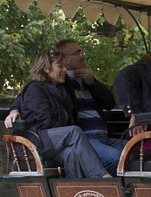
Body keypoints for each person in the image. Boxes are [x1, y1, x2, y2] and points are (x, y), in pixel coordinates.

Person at [6, 48, 111, 179]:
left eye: (65, 66)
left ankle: (76, 192)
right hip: (36, 140)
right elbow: (46, 122)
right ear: (45, 68)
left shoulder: (61, 88)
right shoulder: (35, 88)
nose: (65, 70)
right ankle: (100, 175)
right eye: (60, 66)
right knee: (74, 132)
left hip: (51, 140)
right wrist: (14, 109)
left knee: (71, 154)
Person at [54, 38, 125, 170]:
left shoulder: (87, 80)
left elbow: (109, 103)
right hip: (84, 140)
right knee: (115, 158)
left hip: (105, 137)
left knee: (137, 152)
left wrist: (92, 83)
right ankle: (99, 188)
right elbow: (32, 91)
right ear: (66, 60)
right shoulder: (60, 82)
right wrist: (14, 109)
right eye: (78, 53)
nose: (84, 56)